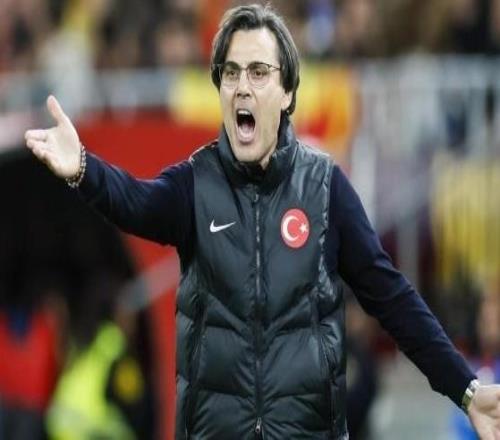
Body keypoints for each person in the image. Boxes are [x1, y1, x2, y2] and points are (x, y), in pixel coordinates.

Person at [24, 4, 500, 439]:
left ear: (287, 92)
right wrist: (83, 168)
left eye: (258, 71)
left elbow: (392, 298)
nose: (242, 86)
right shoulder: (194, 185)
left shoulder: (325, 188)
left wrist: (465, 389)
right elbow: (134, 201)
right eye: (230, 73)